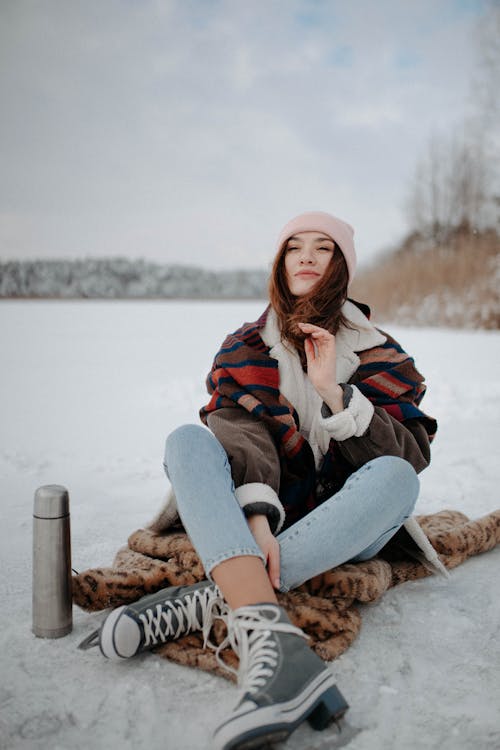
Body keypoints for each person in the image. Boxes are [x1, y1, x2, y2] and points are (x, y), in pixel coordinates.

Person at [94, 212, 445, 750]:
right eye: (293, 247)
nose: (305, 257)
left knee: (397, 477)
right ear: (279, 263)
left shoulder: (381, 351)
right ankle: (282, 653)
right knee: (187, 440)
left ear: (341, 264)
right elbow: (237, 431)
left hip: (346, 525)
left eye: (322, 248)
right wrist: (256, 516)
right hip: (255, 517)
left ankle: (209, 598)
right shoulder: (245, 346)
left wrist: (334, 392)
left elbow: (409, 455)